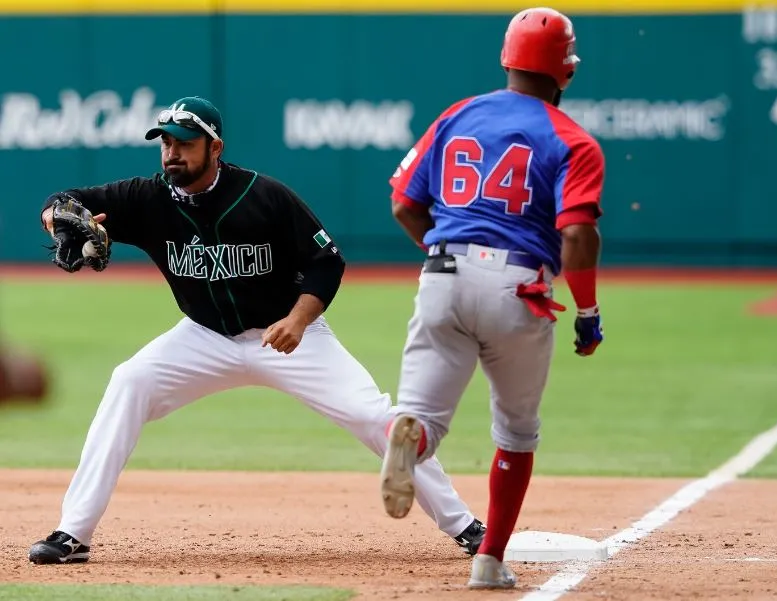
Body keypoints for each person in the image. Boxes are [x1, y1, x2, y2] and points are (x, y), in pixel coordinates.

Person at [28, 96, 486, 565]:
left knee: (373, 416)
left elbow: (327, 262)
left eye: (184, 143)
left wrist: (298, 320)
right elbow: (64, 201)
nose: (172, 153)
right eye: (165, 142)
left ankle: (465, 526)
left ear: (215, 147)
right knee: (129, 381)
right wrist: (57, 221)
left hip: (288, 336)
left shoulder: (264, 196)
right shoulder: (146, 198)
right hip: (204, 337)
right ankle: (73, 532)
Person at [378, 7, 605, 589]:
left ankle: (412, 439)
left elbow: (404, 203)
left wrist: (446, 261)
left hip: (443, 273)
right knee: (516, 432)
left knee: (423, 417)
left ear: (506, 58)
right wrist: (587, 312)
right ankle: (489, 560)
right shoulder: (573, 140)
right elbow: (578, 235)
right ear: (567, 69)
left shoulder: (458, 114)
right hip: (517, 287)